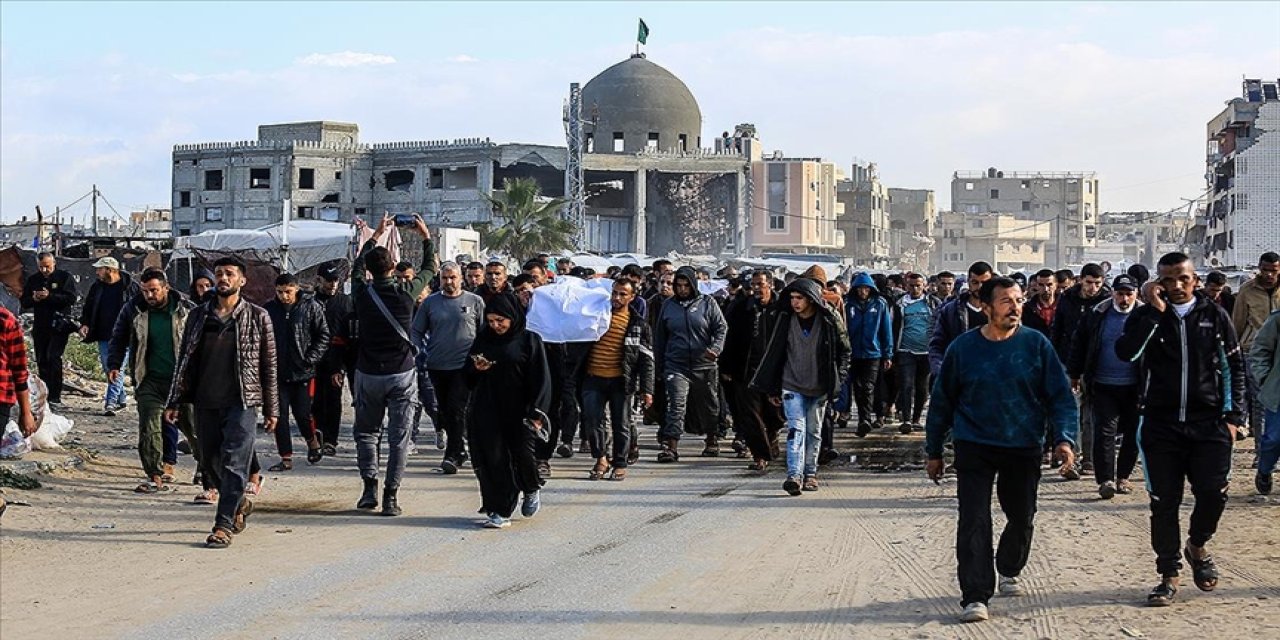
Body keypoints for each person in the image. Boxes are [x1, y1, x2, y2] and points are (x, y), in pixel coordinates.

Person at [926, 277, 1078, 623]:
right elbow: (942, 402)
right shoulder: (962, 349)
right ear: (986, 306)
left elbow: (1060, 398)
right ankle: (976, 595)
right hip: (974, 444)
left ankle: (1009, 565)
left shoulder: (1036, 345)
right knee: (974, 520)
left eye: (1019, 300)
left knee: (1022, 514)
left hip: (1022, 444)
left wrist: (1064, 439)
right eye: (1006, 301)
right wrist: (934, 450)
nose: (1015, 308)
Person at [1115, 252, 1246, 607]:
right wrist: (1154, 313)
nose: (1175, 286)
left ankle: (1198, 546)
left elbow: (1234, 365)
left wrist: (1233, 417)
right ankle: (1168, 574)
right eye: (1167, 280)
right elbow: (1127, 353)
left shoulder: (1214, 316)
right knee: (1164, 502)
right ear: (1157, 282)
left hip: (1209, 425)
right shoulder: (1147, 316)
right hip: (1160, 425)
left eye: (1182, 279)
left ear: (1195, 281)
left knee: (1213, 493)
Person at [165, 256, 279, 549]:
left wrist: (272, 407)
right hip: (205, 399)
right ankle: (238, 501)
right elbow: (185, 361)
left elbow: (269, 365)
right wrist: (175, 400)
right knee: (209, 460)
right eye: (219, 274)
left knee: (234, 462)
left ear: (242, 280)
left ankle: (223, 524)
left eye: (230, 273)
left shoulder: (257, 316)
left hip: (242, 401)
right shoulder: (199, 316)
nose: (223, 278)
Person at [345, 213, 436, 516]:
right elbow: (428, 268)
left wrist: (376, 234)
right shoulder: (407, 292)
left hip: (368, 373)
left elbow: (356, 267)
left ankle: (369, 487)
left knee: (367, 434)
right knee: (399, 438)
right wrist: (424, 236)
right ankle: (391, 496)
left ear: (371, 270)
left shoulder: (361, 292)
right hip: (401, 372)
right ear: (395, 269)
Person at [106, 269, 209, 498]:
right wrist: (114, 364)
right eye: (145, 291)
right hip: (149, 379)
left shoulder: (186, 309)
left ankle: (204, 466)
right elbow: (119, 335)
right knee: (150, 428)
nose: (149, 295)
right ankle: (155, 474)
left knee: (193, 428)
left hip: (183, 381)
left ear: (166, 288)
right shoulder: (133, 309)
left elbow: (203, 341)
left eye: (154, 290)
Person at [751, 278, 850, 495]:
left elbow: (844, 350)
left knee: (814, 432)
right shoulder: (785, 319)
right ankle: (794, 475)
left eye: (800, 298)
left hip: (820, 386)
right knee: (796, 428)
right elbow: (774, 353)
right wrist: (772, 387)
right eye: (792, 298)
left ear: (811, 299)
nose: (795, 302)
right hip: (791, 384)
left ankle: (810, 474)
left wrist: (838, 379)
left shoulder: (828, 318)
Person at [465, 293, 552, 529]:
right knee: (494, 458)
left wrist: (537, 413)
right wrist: (477, 369)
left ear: (513, 317)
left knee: (523, 456)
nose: (496, 326)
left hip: (521, 410)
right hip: (489, 408)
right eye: (491, 321)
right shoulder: (484, 339)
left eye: (500, 321)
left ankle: (531, 488)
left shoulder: (529, 341)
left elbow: (541, 379)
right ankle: (499, 510)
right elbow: (467, 376)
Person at [1066, 274, 1142, 499]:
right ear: (1113, 293)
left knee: (1132, 433)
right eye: (1120, 293)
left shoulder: (1144, 316)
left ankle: (1123, 477)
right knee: (1104, 432)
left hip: (1135, 386)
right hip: (1103, 383)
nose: (1124, 298)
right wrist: (1075, 373)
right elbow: (1079, 343)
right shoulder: (1098, 314)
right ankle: (1106, 479)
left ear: (1136, 294)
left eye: (1129, 294)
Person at [412, 262, 484, 475]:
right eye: (445, 278)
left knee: (456, 408)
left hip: (464, 367)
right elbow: (417, 331)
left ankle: (453, 454)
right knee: (444, 410)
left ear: (461, 278)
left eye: (453, 278)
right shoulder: (430, 303)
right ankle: (460, 448)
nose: (449, 282)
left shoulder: (474, 301)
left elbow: (484, 332)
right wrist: (414, 350)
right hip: (436, 365)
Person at [580, 279, 654, 481]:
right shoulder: (596, 317)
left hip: (621, 381)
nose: (617, 298)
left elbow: (646, 359)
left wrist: (647, 389)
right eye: (614, 293)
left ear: (632, 297)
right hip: (593, 378)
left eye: (622, 294)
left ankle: (620, 463)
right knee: (593, 421)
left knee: (621, 423)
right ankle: (601, 458)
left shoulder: (637, 325)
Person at [654, 266, 727, 462]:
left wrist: (716, 348)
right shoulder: (668, 306)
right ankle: (671, 445)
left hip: (704, 364)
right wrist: (659, 367)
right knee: (676, 404)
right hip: (676, 364)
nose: (683, 289)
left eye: (686, 285)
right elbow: (660, 337)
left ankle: (712, 438)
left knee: (709, 405)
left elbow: (721, 327)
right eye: (679, 285)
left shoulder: (707, 303)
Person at [263, 273, 330, 470]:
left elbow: (323, 335)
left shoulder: (310, 306)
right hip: (277, 372)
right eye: (280, 292)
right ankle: (286, 457)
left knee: (303, 414)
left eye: (288, 292)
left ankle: (312, 441)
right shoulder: (269, 310)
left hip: (303, 372)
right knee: (279, 416)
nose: (284, 296)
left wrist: (310, 358)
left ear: (297, 289)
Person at [723, 270, 786, 471]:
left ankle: (773, 435)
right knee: (750, 414)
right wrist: (726, 366)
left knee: (774, 414)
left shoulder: (783, 308)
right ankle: (760, 455)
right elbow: (729, 338)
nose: (757, 289)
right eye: (753, 284)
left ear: (771, 285)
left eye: (761, 284)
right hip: (747, 369)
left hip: (776, 371)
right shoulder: (741, 307)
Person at [79, 257, 140, 416]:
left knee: (116, 367)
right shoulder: (97, 287)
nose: (97, 272)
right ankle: (121, 398)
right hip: (103, 333)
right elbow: (89, 306)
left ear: (110, 270)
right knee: (108, 367)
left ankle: (110, 402)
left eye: (100, 269)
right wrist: (85, 323)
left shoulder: (130, 288)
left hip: (125, 335)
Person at [20, 252, 77, 410]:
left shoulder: (64, 277)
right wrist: (35, 299)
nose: (45, 270)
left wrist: (50, 296)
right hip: (40, 325)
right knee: (42, 360)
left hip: (59, 325)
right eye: (41, 267)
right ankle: (43, 395)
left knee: (54, 358)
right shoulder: (34, 280)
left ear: (54, 263)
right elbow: (24, 301)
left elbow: (71, 298)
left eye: (47, 266)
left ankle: (55, 397)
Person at [1232, 252, 1280, 442]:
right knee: (1261, 402)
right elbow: (1238, 322)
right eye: (1265, 270)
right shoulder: (1247, 290)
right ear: (1259, 268)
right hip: (1254, 352)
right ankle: (1262, 453)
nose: (1269, 275)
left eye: (1273, 271)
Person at [844, 272, 894, 436]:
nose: (862, 292)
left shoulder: (880, 304)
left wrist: (887, 354)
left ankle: (865, 418)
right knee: (857, 388)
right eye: (859, 289)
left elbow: (886, 330)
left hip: (873, 353)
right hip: (853, 352)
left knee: (868, 387)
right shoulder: (848, 305)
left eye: (865, 288)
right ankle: (862, 419)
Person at [313, 263, 354, 456]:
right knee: (315, 401)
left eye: (335, 281)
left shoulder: (346, 302)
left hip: (337, 359)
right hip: (313, 359)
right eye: (328, 281)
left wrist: (343, 365)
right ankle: (317, 436)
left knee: (333, 400)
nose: (332, 285)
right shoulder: (311, 302)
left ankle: (331, 439)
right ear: (319, 280)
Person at [893, 273, 940, 433]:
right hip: (905, 350)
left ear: (924, 286)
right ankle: (906, 419)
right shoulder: (900, 304)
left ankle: (916, 419)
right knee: (906, 385)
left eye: (918, 285)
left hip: (927, 351)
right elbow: (893, 326)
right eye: (912, 285)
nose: (915, 288)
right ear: (906, 286)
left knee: (922, 387)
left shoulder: (933, 304)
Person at [929, 262, 994, 376]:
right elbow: (937, 344)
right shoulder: (951, 310)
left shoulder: (1000, 311)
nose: (980, 287)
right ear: (968, 282)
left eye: (984, 283)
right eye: (975, 282)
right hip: (959, 375)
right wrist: (940, 371)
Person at [1248, 309, 1280, 495]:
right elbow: (1260, 349)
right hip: (1277, 392)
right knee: (1273, 440)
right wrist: (1264, 379)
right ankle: (1265, 471)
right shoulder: (1277, 319)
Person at [1021, 269, 1058, 336]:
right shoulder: (1027, 309)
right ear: (1036, 286)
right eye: (1041, 285)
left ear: (1056, 285)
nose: (1046, 289)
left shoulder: (1065, 306)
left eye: (1049, 285)